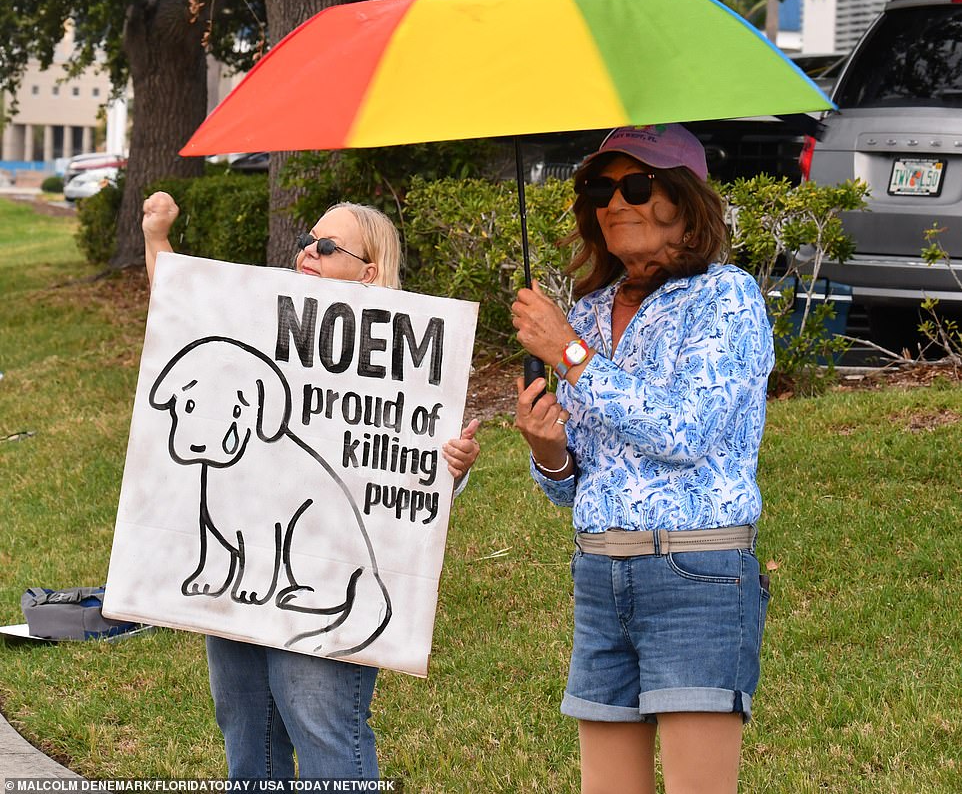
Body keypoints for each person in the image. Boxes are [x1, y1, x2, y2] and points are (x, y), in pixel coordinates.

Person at [142, 190, 480, 780]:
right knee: (246, 725)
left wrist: (454, 464)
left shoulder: (406, 355)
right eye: (307, 240)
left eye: (326, 246)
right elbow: (181, 313)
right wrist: (157, 237)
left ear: (369, 271)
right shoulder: (262, 315)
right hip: (241, 579)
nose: (308, 252)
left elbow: (403, 484)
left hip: (323, 576)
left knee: (318, 723)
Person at [511, 124, 774, 794]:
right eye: (601, 187)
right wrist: (549, 450)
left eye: (636, 183)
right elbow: (581, 480)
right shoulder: (592, 311)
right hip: (600, 576)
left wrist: (567, 352)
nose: (615, 201)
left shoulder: (727, 297)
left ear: (686, 206)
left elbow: (685, 429)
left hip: (697, 572)